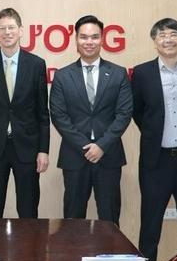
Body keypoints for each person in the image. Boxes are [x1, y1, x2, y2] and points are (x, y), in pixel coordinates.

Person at [132, 18, 177, 261]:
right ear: (155, 41)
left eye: (174, 34)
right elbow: (138, 111)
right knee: (150, 224)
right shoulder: (142, 72)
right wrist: (154, 133)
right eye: (162, 35)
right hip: (156, 160)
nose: (168, 39)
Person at [49, 15, 132, 226]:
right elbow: (59, 116)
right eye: (84, 37)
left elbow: (124, 114)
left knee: (110, 219)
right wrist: (86, 147)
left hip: (109, 156)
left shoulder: (118, 74)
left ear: (102, 39)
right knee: (73, 221)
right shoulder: (62, 76)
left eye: (94, 37)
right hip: (75, 157)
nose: (89, 42)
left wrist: (101, 146)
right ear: (76, 40)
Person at [0, 7, 50, 218]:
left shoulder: (36, 65)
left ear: (21, 31)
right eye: (2, 28)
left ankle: (30, 252)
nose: (7, 32)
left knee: (28, 210)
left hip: (27, 148)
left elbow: (43, 112)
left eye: (11, 27)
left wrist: (43, 150)